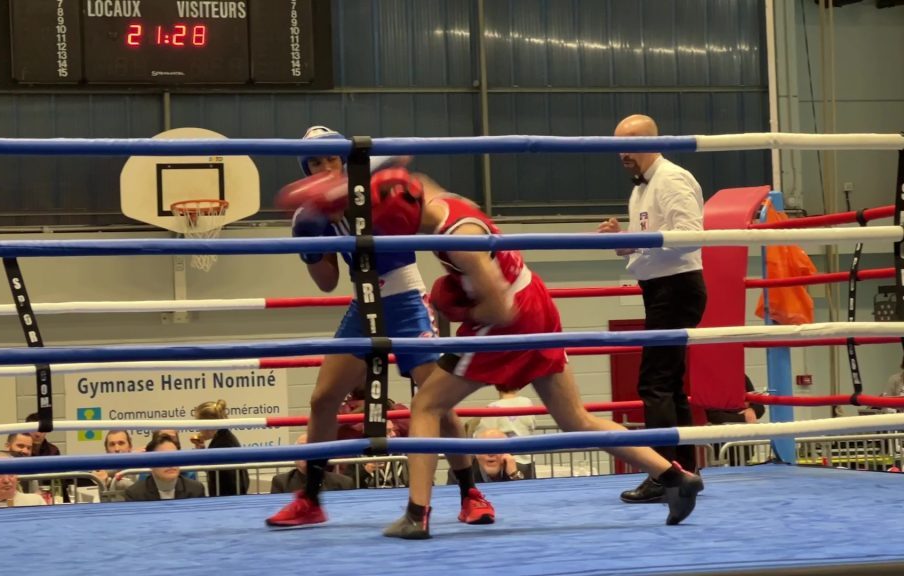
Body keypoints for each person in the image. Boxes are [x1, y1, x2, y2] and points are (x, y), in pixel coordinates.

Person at [284, 167, 702, 539]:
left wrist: (457, 303)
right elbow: (401, 182)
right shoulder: (437, 200)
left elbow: (502, 308)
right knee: (575, 418)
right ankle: (673, 475)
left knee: (426, 405)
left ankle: (417, 513)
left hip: (509, 318)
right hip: (536, 300)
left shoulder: (460, 241)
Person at [266, 126, 494, 528]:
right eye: (314, 163)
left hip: (406, 298)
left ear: (343, 159)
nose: (323, 167)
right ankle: (311, 499)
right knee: (323, 400)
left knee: (435, 398)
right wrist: (310, 245)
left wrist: (355, 176)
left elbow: (403, 150)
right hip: (363, 304)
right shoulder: (313, 215)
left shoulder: (371, 181)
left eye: (330, 158)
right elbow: (327, 282)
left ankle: (470, 492)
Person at [597, 114, 707, 503]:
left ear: (645, 142)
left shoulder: (672, 179)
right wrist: (626, 241)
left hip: (676, 287)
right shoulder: (641, 189)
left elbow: (691, 238)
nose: (619, 153)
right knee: (670, 385)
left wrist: (637, 242)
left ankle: (663, 476)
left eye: (623, 145)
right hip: (660, 287)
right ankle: (684, 473)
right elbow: (649, 243)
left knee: (655, 383)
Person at [189, 399, 250, 496]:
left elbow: (224, 478)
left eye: (198, 424)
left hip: (228, 500)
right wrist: (202, 452)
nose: (198, 429)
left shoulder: (223, 443)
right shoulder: (223, 439)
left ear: (208, 424)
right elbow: (213, 470)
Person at [124, 435, 205, 501]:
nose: (170, 463)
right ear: (150, 463)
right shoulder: (135, 494)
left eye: (174, 457)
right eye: (163, 457)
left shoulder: (196, 490)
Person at [270, 435, 355, 493]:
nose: (306, 453)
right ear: (294, 454)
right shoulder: (281, 482)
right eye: (301, 448)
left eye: (310, 448)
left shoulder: (344, 483)